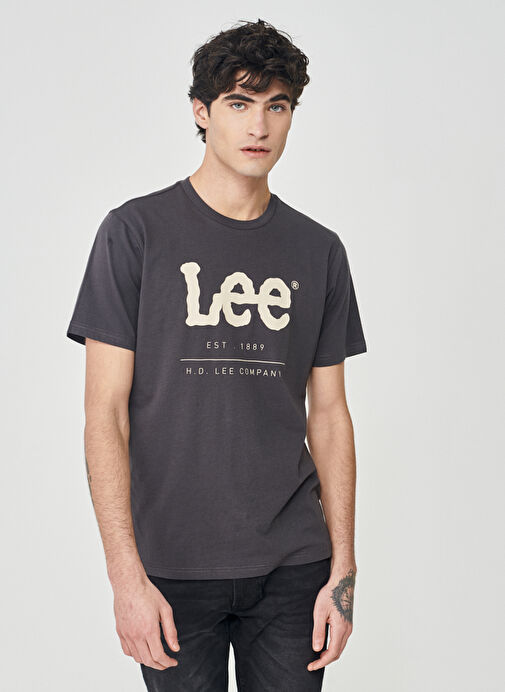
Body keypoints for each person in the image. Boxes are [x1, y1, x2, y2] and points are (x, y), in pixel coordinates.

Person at [66, 17, 367, 692]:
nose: (258, 125)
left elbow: (329, 415)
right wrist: (125, 578)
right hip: (171, 568)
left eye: (276, 106)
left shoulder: (319, 251)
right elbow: (104, 415)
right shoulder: (134, 233)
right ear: (201, 112)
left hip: (294, 567)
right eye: (238, 102)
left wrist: (343, 569)